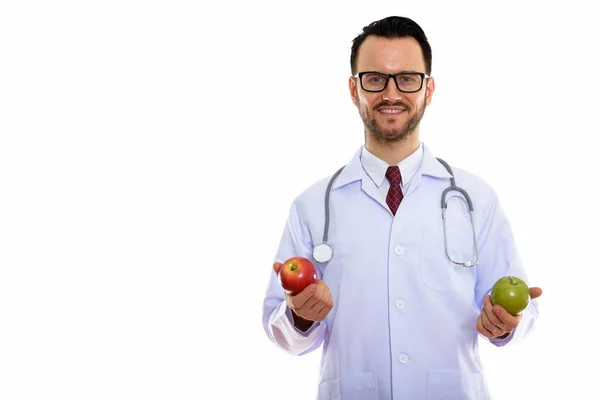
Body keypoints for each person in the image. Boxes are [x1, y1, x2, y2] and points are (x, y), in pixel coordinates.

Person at [261, 15, 542, 400]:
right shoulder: (312, 206)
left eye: (407, 78)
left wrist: (507, 324)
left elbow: (522, 313)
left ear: (429, 90)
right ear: (353, 88)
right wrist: (299, 316)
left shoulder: (476, 198)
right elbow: (282, 333)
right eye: (374, 79)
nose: (391, 93)